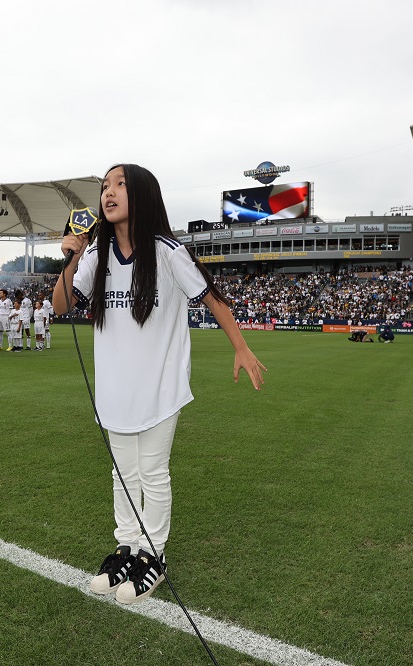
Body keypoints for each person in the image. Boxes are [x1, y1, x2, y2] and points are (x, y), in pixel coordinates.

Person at [52, 164, 266, 605]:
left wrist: (241, 348)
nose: (109, 193)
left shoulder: (167, 251)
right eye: (105, 186)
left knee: (152, 472)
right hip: (114, 388)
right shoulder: (96, 253)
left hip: (159, 387)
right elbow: (61, 305)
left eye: (120, 185)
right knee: (122, 473)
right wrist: (72, 258)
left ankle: (154, 556)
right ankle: (126, 548)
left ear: (144, 195)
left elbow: (212, 297)